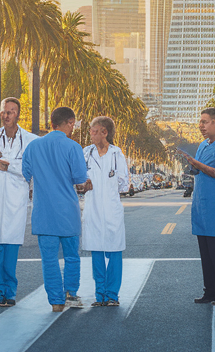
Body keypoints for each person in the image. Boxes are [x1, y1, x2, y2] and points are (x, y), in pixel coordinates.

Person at [21, 106, 92, 313]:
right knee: (71, 256)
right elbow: (79, 178)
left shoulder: (33, 147)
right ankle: (71, 294)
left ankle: (55, 302)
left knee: (49, 260)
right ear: (69, 123)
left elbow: (26, 174)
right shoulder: (73, 147)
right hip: (67, 211)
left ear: (52, 122)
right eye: (73, 124)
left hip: (43, 212)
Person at [0, 97, 37, 307]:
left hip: (17, 198)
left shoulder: (30, 139)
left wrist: (7, 165)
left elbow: (30, 170)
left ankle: (10, 292)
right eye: (4, 111)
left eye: (11, 111)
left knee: (11, 243)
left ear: (18, 114)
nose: (7, 115)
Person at [177, 107, 215, 305]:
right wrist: (193, 166)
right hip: (202, 205)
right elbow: (201, 170)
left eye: (205, 122)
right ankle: (210, 291)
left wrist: (198, 164)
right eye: (200, 122)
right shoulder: (203, 145)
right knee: (206, 252)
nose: (201, 126)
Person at [82, 116, 130, 307]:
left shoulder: (117, 154)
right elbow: (78, 178)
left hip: (111, 210)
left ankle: (112, 295)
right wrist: (83, 184)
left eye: (94, 131)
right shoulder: (86, 153)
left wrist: (109, 182)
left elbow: (124, 184)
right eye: (90, 131)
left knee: (115, 251)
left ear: (105, 132)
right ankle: (99, 295)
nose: (91, 134)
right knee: (97, 252)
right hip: (93, 209)